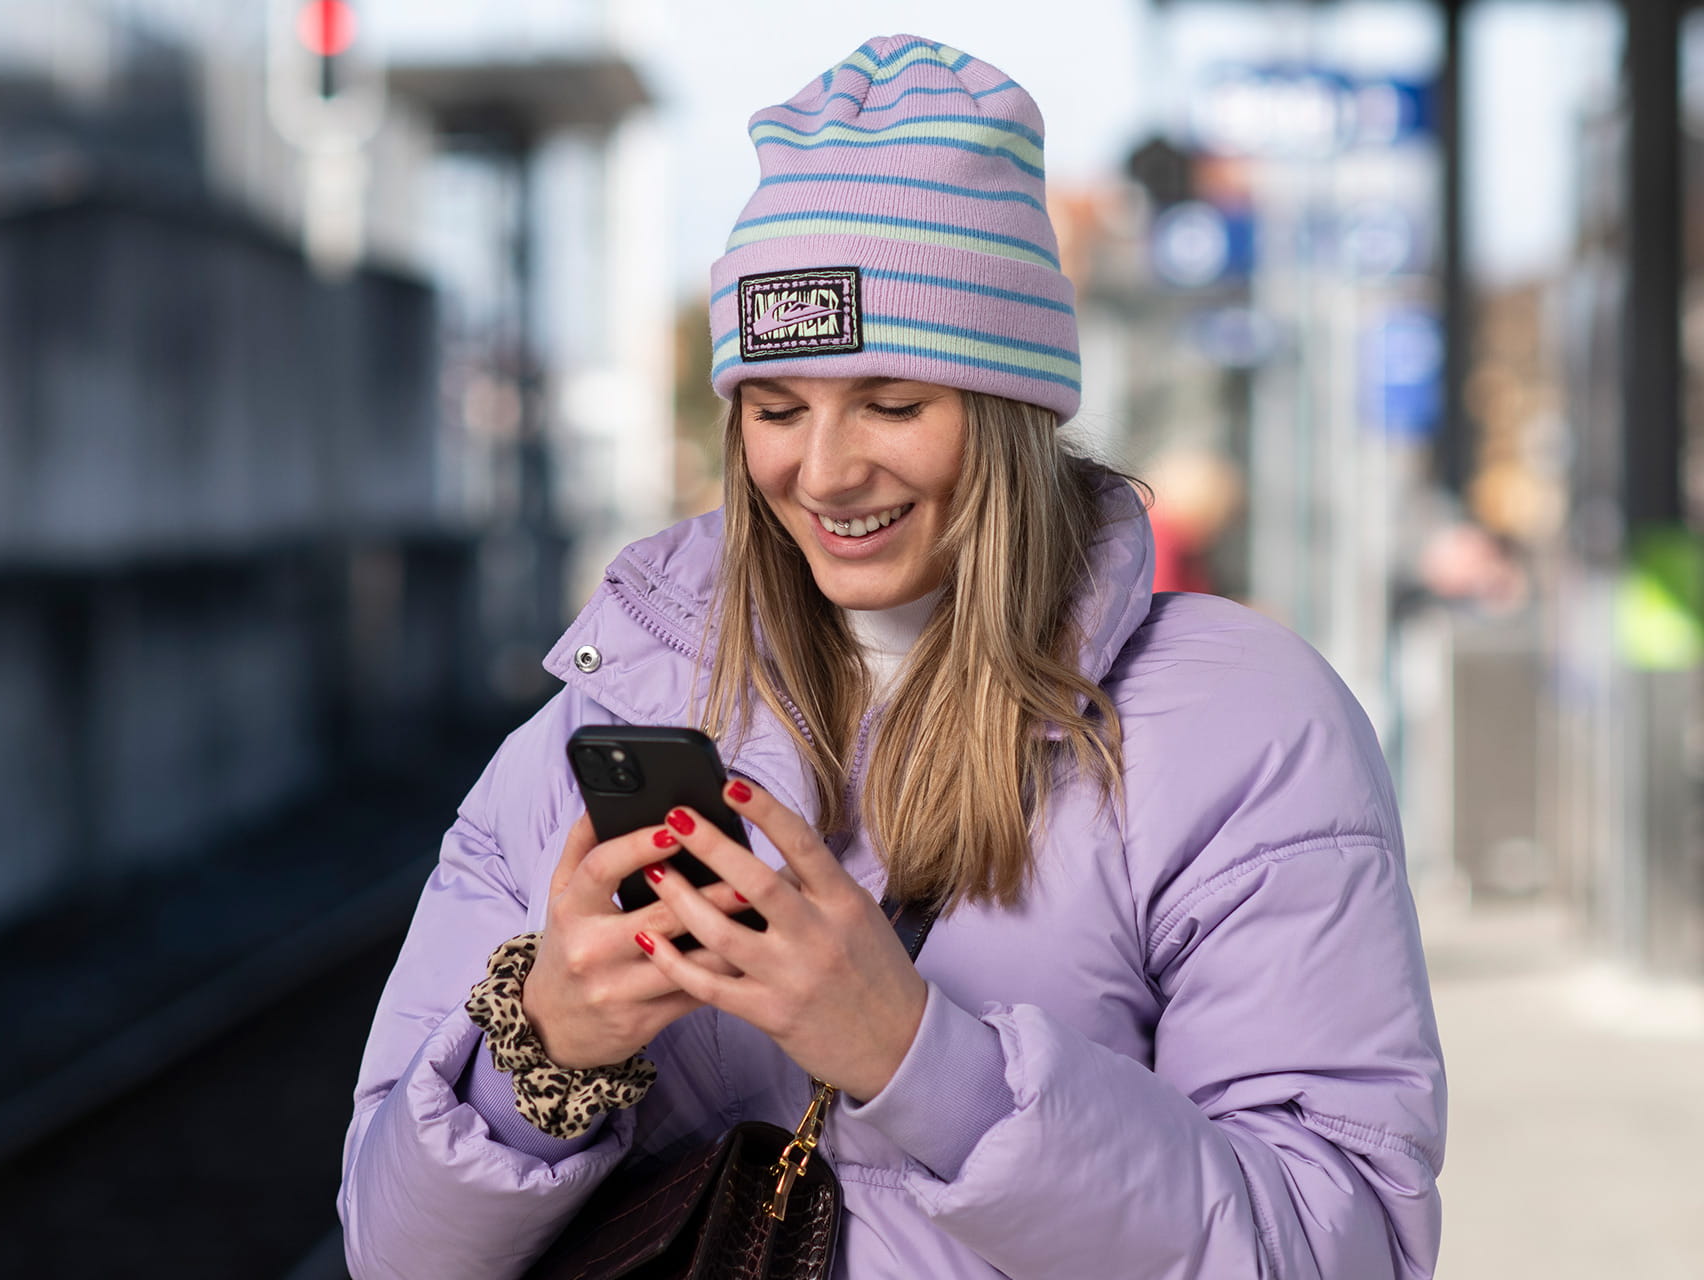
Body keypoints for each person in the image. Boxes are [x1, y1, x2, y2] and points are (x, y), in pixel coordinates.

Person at [338, 34, 1445, 1279]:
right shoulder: (610, 706)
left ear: (1012, 408)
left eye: (893, 402)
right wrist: (539, 1055)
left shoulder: (1243, 726)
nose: (825, 471)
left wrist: (922, 1063)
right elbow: (391, 1252)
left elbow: (1333, 1246)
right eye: (776, 406)